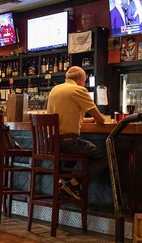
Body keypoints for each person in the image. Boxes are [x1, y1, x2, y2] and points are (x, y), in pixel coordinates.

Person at [45, 66, 107, 200]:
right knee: (103, 157)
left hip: (52, 142)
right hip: (68, 142)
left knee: (74, 152)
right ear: (81, 80)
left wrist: (86, 120)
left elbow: (63, 116)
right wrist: (98, 119)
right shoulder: (79, 90)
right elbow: (100, 120)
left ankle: (62, 183)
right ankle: (74, 184)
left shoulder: (54, 90)